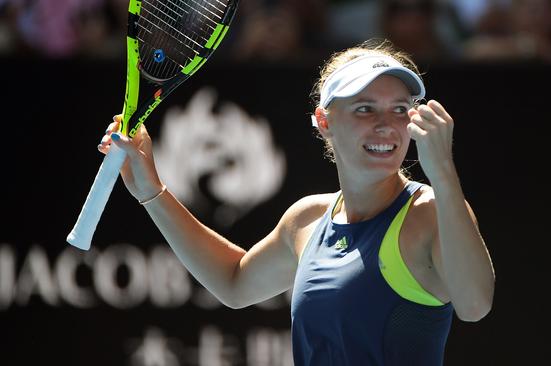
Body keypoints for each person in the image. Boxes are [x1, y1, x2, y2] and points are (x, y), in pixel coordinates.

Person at [98, 39, 495, 365]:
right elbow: (234, 283)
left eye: (399, 110)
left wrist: (442, 171)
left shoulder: (429, 210)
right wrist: (151, 190)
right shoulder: (307, 219)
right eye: (364, 109)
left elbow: (475, 305)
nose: (386, 125)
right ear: (324, 121)